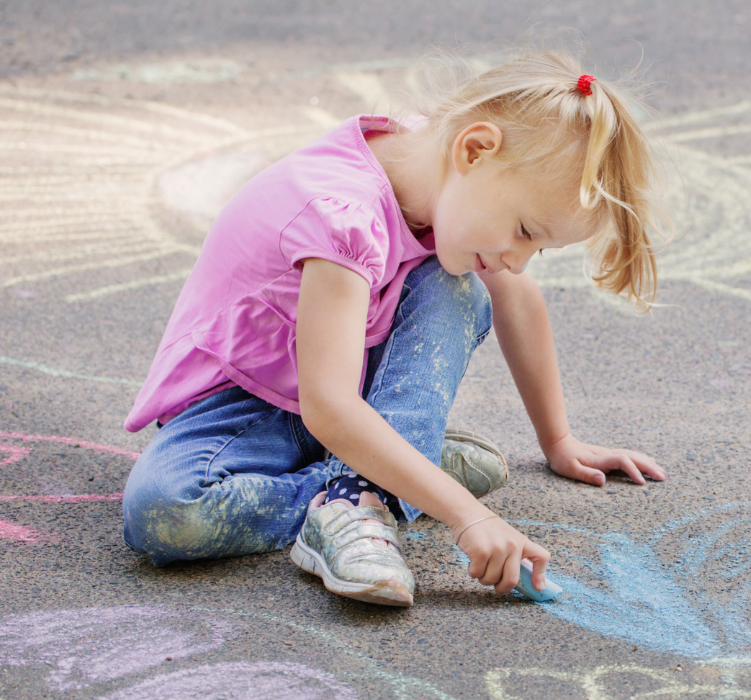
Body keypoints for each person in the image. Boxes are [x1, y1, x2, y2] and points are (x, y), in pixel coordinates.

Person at [120, 51, 667, 607]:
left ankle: (363, 492)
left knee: (456, 286)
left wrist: (558, 441)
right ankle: (383, 480)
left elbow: (516, 296)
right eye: (525, 230)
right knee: (167, 514)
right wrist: (465, 513)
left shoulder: (441, 167)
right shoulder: (343, 215)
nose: (518, 259)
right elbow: (329, 408)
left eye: (538, 247)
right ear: (475, 149)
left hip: (339, 389)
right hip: (243, 404)